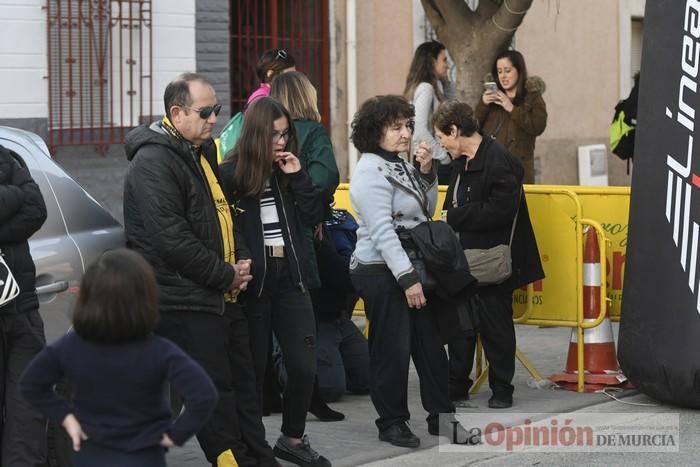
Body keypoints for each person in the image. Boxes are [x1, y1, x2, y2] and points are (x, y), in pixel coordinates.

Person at [123, 72, 277, 467]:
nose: (215, 120)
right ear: (177, 112)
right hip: (185, 298)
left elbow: (225, 214)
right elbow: (171, 239)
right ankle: (232, 461)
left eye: (218, 111)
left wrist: (242, 259)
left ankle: (259, 456)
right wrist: (226, 274)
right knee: (213, 392)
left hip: (223, 293)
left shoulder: (202, 150)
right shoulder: (153, 161)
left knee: (245, 385)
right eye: (206, 112)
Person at [18, 249, 218, 467]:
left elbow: (31, 384)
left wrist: (66, 418)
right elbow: (204, 395)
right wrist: (173, 436)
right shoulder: (158, 349)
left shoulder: (72, 346)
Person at [219, 97, 331, 467]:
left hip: (289, 278)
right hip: (252, 285)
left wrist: (298, 175)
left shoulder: (287, 171)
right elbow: (224, 227)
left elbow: (315, 215)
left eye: (285, 135)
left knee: (303, 363)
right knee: (252, 370)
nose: (281, 143)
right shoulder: (231, 173)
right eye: (273, 136)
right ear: (255, 136)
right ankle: (251, 445)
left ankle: (293, 438)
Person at [348, 95, 459, 448]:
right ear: (373, 131)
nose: (405, 133)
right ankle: (392, 422)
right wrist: (407, 279)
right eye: (396, 127)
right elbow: (382, 233)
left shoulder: (397, 163)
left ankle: (442, 418)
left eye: (407, 125)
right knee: (391, 350)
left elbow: (425, 210)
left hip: (410, 265)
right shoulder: (368, 171)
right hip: (381, 269)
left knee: (430, 347)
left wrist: (426, 173)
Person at [432, 100, 544, 408]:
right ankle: (456, 385)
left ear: (455, 131)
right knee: (459, 327)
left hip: (494, 260)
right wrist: (427, 168)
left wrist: (454, 218)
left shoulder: (499, 161)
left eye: (442, 137)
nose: (441, 144)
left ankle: (501, 389)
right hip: (462, 260)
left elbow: (500, 211)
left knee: (496, 326)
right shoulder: (461, 162)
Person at [269, 70, 348, 418]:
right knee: (306, 323)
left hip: (267, 242)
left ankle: (270, 396)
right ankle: (310, 398)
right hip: (301, 238)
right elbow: (325, 177)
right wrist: (312, 209)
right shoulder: (312, 133)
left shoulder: (256, 132)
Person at [0, 145, 48, 466]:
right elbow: (24, 200)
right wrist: (12, 196)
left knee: (27, 419)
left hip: (23, 308)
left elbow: (37, 208)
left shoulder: (5, 155)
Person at [475, 50, 547, 184]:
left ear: (519, 71)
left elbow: (538, 127)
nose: (503, 76)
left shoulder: (532, 96)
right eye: (499, 71)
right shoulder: (491, 98)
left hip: (519, 170)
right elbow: (473, 127)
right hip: (492, 167)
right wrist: (483, 104)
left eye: (507, 71)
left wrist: (512, 109)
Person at [404, 40, 453, 184]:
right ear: (432, 61)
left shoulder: (426, 86)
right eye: (444, 60)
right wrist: (443, 156)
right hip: (430, 161)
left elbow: (453, 102)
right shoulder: (426, 88)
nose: (447, 65)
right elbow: (418, 130)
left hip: (426, 158)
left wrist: (446, 81)